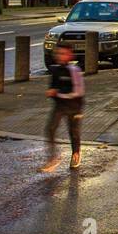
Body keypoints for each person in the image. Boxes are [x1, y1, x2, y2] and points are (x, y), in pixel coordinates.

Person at [42, 43, 85, 171]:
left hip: (74, 105)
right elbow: (53, 85)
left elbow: (78, 91)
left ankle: (76, 154)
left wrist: (58, 93)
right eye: (58, 53)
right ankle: (53, 158)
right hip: (59, 105)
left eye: (63, 53)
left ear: (70, 55)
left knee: (74, 132)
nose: (60, 56)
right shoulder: (55, 70)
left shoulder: (74, 70)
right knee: (50, 129)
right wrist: (51, 91)